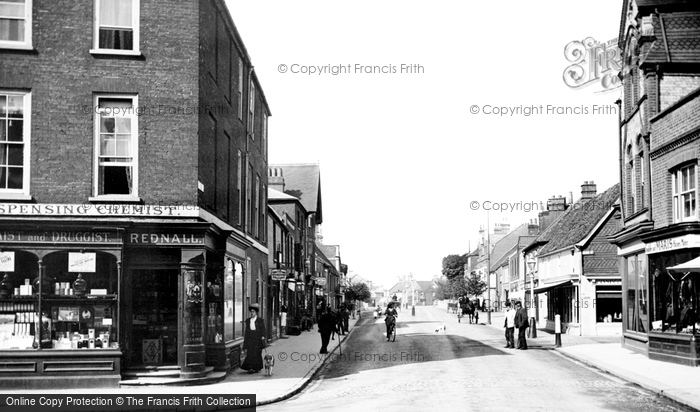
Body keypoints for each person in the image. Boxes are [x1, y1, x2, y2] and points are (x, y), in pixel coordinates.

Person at [241, 303, 266, 373]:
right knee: (250, 353)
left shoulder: (260, 320)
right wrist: (245, 343)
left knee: (257, 354)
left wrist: (263, 336)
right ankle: (250, 367)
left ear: (256, 312)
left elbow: (263, 329)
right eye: (251, 312)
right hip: (250, 339)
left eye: (253, 312)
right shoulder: (248, 321)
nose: (251, 313)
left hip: (257, 339)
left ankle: (256, 367)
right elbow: (247, 332)